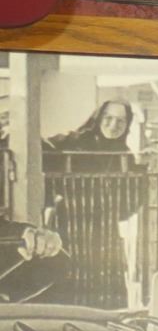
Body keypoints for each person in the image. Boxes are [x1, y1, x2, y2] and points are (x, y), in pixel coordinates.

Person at [43, 99, 142, 305]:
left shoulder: (124, 156)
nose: (113, 125)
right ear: (98, 118)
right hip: (70, 223)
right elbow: (41, 151)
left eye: (121, 121)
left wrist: (142, 173)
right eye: (108, 118)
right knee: (68, 275)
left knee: (104, 284)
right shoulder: (73, 142)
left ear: (127, 125)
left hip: (104, 230)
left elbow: (128, 206)